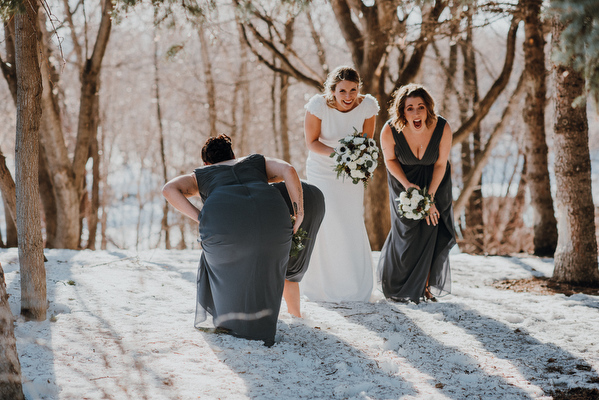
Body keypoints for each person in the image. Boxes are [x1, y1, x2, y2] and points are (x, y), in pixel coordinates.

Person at [162, 134, 304, 346]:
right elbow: (289, 170)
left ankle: (233, 321)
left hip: (224, 226)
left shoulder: (201, 174)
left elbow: (168, 189)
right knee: (264, 264)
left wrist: (200, 216)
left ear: (206, 162)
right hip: (273, 220)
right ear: (234, 154)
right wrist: (299, 212)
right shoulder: (256, 161)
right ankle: (263, 319)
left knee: (220, 264)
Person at [300, 65, 379, 302]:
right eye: (342, 91)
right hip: (322, 170)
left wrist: (355, 162)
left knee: (350, 220)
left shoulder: (367, 107)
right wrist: (339, 155)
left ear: (358, 89)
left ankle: (354, 285)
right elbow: (312, 142)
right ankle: (323, 286)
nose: (348, 96)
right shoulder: (318, 106)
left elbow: (367, 143)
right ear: (332, 90)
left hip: (351, 173)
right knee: (328, 221)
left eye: (353, 90)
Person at [377, 83, 456, 303]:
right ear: (402, 110)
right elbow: (389, 160)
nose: (416, 112)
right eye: (410, 108)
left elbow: (441, 164)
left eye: (420, 107)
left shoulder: (442, 127)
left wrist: (429, 197)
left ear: (428, 108)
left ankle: (425, 286)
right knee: (407, 233)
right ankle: (397, 284)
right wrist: (407, 185)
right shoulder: (390, 129)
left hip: (435, 182)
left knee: (432, 229)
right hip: (404, 181)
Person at [271, 182, 325, 317]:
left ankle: (271, 315)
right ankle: (295, 315)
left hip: (288, 196)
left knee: (275, 266)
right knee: (290, 269)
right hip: (314, 197)